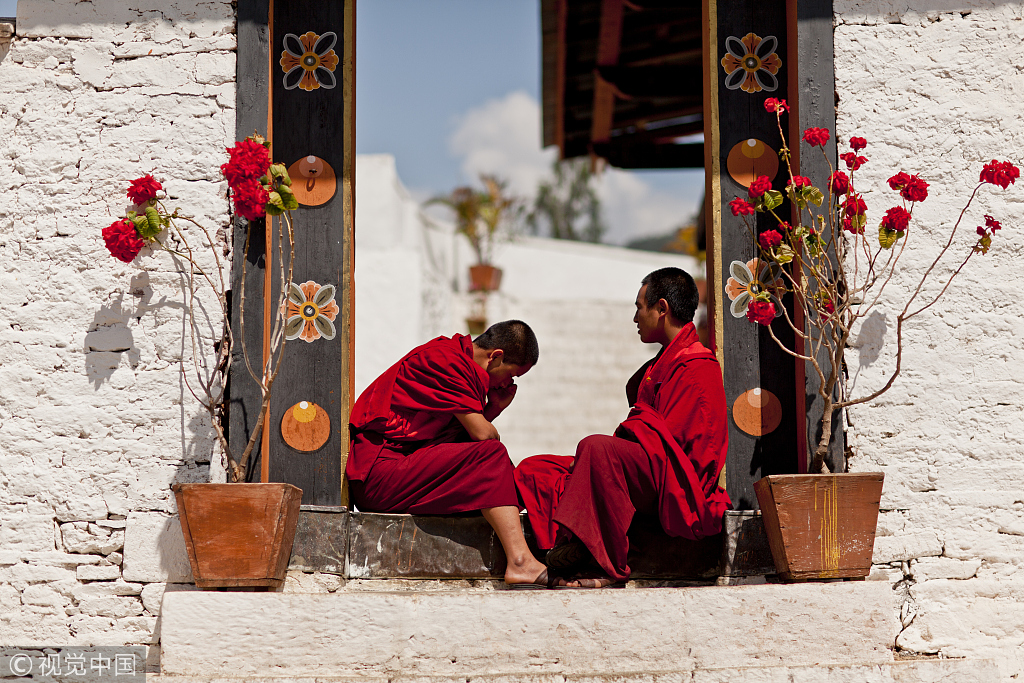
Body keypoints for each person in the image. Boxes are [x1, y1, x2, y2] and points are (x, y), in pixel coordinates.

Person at [515, 267, 731, 588]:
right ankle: (568, 542)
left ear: (661, 309)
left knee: (596, 449)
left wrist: (622, 448)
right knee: (538, 469)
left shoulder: (697, 366)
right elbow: (649, 434)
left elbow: (696, 454)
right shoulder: (666, 362)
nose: (635, 318)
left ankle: (603, 566)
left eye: (638, 307)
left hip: (678, 484)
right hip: (653, 466)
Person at [347, 319, 552, 588]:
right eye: (512, 376)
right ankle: (521, 561)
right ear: (496, 357)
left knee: (512, 482)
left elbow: (458, 442)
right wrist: (495, 412)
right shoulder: (447, 361)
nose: (508, 384)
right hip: (379, 476)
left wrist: (492, 409)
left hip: (405, 469)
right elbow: (483, 438)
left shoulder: (459, 363)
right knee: (493, 456)